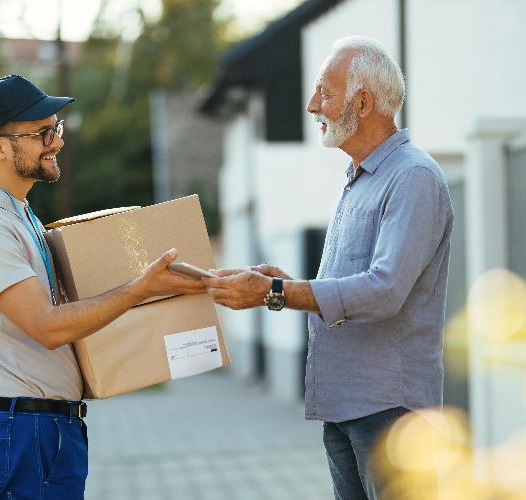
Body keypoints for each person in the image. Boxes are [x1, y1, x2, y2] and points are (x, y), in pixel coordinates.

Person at [204, 37, 454, 500]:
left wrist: (275, 291)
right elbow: (352, 286)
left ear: (362, 102)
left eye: (325, 92)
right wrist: (284, 285)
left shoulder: (412, 177)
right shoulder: (362, 177)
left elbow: (384, 290)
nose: (311, 104)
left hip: (390, 411)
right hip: (348, 406)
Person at [0, 75, 204, 499]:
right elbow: (48, 327)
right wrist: (139, 289)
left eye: (56, 129)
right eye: (43, 133)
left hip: (47, 427)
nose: (57, 142)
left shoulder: (19, 218)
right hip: (26, 432)